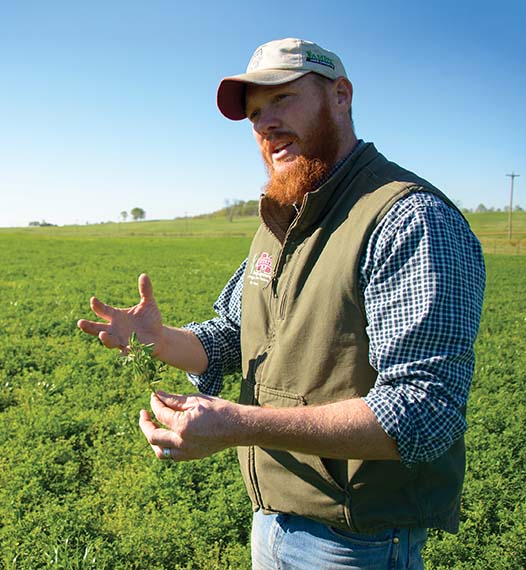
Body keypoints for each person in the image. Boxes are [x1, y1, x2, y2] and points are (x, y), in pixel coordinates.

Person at [77, 38, 485, 569]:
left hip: (356, 540)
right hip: (271, 520)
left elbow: (424, 411)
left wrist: (242, 424)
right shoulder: (282, 222)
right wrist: (160, 338)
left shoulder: (407, 219)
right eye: (254, 114)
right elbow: (233, 337)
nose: (265, 124)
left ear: (340, 95)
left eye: (282, 99)